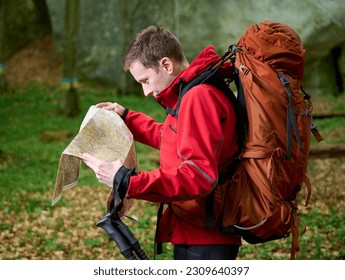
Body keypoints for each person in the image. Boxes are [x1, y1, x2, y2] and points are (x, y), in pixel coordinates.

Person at [82, 26, 241, 260]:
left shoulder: (198, 97)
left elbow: (198, 177)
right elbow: (171, 138)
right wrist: (126, 116)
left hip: (205, 238)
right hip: (196, 229)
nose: (145, 91)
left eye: (145, 80)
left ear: (166, 65)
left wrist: (126, 180)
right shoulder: (189, 91)